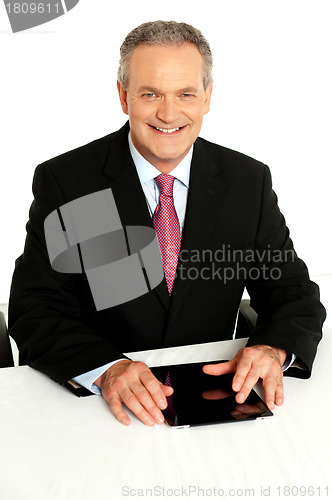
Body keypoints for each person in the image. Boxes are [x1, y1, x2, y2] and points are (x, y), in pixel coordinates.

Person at [9, 21, 325, 427]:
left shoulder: (247, 181)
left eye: (186, 94)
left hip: (216, 399)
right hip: (102, 409)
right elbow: (35, 308)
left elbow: (292, 292)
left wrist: (272, 348)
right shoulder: (73, 182)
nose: (169, 113)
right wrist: (106, 369)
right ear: (123, 96)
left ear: (207, 97)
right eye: (151, 93)